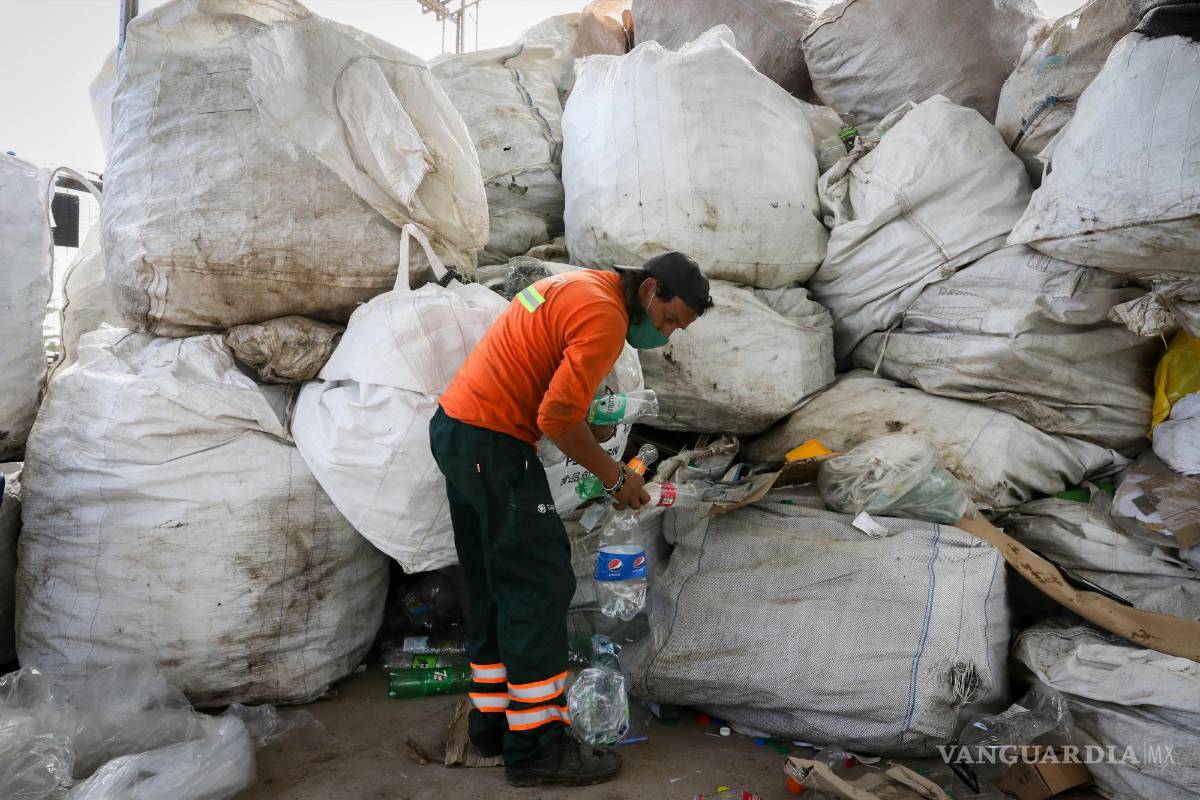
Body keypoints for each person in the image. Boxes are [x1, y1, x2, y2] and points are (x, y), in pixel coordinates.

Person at [430, 252, 712, 787]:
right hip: (493, 444)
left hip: (457, 431)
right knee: (539, 582)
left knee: (494, 580)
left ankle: (492, 724)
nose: (667, 334)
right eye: (670, 319)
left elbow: (547, 383)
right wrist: (614, 477)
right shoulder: (605, 317)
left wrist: (591, 427)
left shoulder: (579, 286)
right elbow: (554, 419)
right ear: (650, 290)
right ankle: (537, 749)